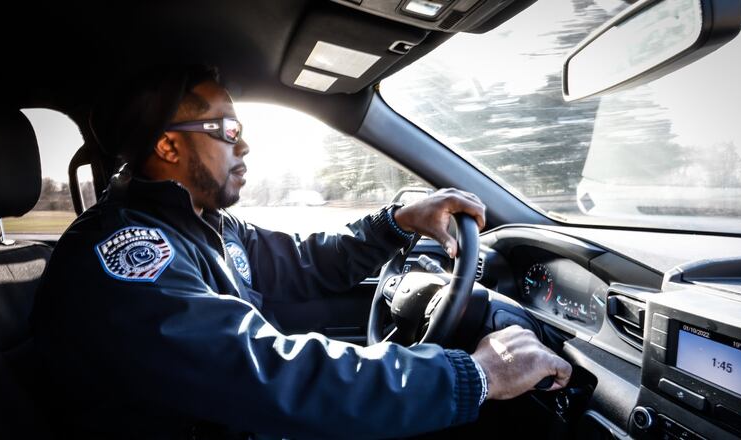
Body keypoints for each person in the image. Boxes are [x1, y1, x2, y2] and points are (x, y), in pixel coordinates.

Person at [31, 64, 571, 439]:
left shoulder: (204, 225)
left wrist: (397, 222)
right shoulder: (122, 254)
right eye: (228, 129)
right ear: (168, 145)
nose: (244, 144)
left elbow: (307, 260)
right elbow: (263, 373)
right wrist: (473, 376)